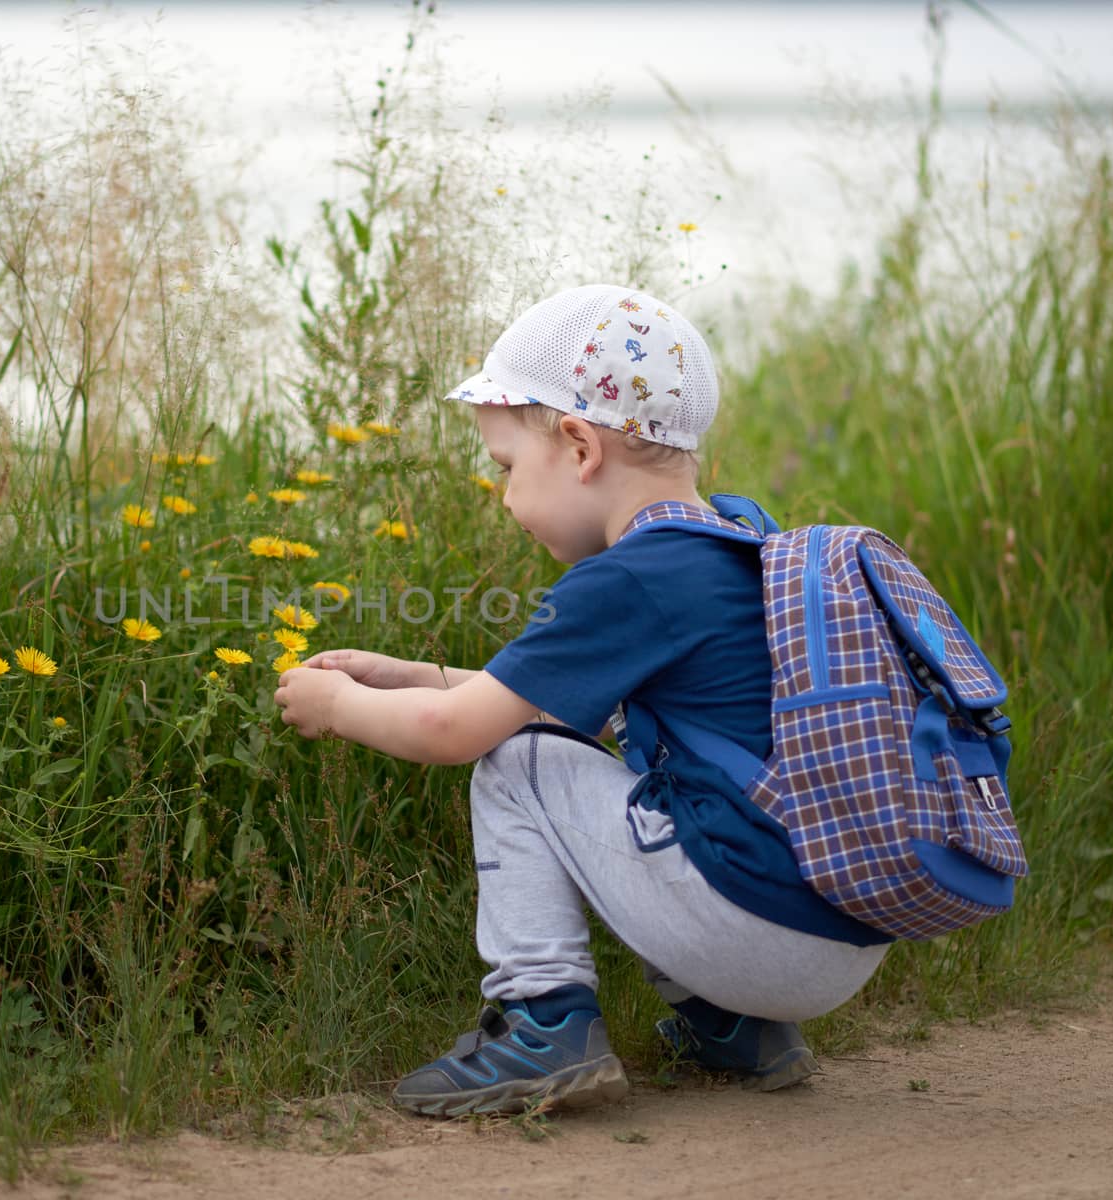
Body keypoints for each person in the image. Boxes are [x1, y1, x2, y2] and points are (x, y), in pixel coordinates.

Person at [273, 284, 892, 1118]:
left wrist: (332, 707)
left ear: (577, 446)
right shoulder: (737, 546)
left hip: (754, 933)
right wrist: (411, 672)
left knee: (517, 764)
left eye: (506, 468)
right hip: (842, 935)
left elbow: (466, 733)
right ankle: (734, 1028)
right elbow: (554, 708)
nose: (504, 498)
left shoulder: (629, 579)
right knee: (646, 783)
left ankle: (543, 1025)